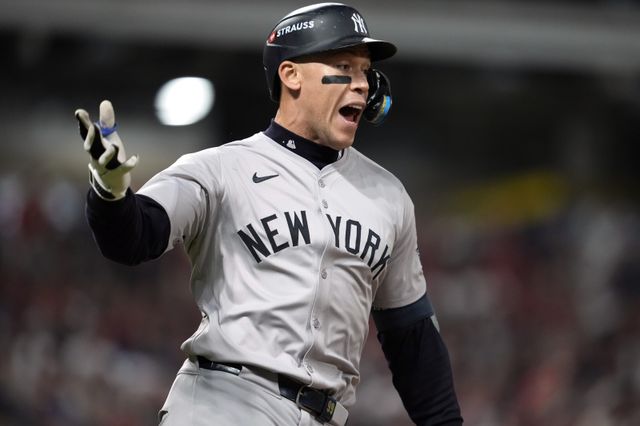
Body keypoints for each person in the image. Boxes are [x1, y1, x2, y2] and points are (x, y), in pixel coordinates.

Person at [76, 3, 463, 425]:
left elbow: (413, 340)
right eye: (344, 67)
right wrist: (111, 193)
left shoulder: (389, 196)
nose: (361, 84)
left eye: (365, 71)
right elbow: (134, 238)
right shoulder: (219, 169)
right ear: (291, 75)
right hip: (224, 404)